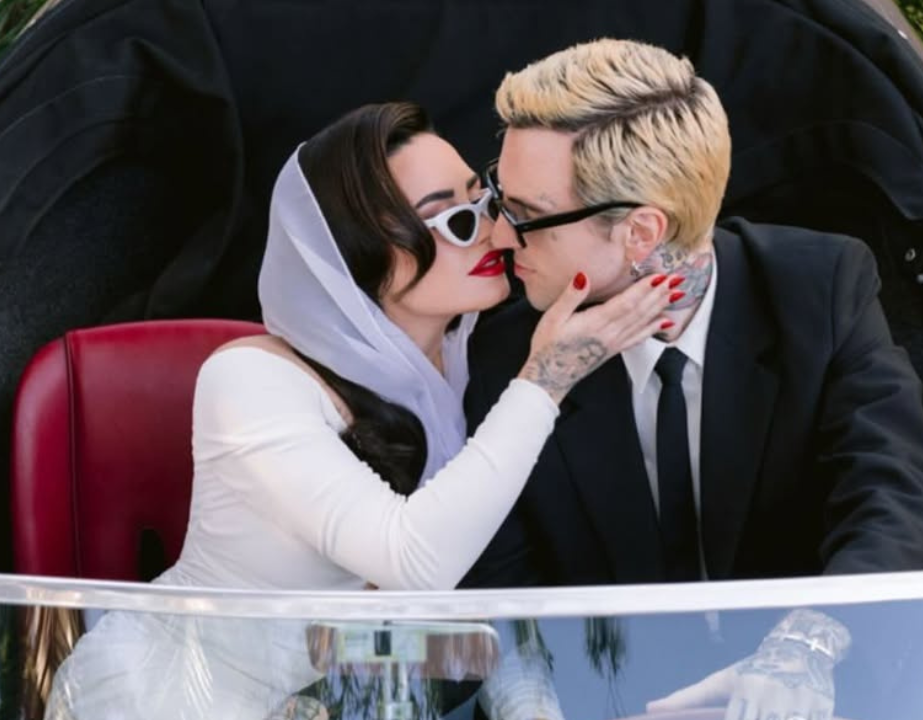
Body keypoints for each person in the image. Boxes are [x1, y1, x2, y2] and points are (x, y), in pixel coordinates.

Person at [44, 102, 677, 720]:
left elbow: (484, 614)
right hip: (191, 695)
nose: (495, 232)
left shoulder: (476, 362)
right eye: (455, 221)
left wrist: (532, 706)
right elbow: (413, 562)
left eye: (485, 202)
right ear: (363, 253)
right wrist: (547, 379)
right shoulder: (249, 381)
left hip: (362, 695)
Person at [459, 39, 923, 720]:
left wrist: (804, 652)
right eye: (498, 199)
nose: (498, 237)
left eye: (528, 217)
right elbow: (503, 586)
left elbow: (894, 495)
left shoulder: (819, 288)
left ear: (641, 232)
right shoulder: (508, 350)